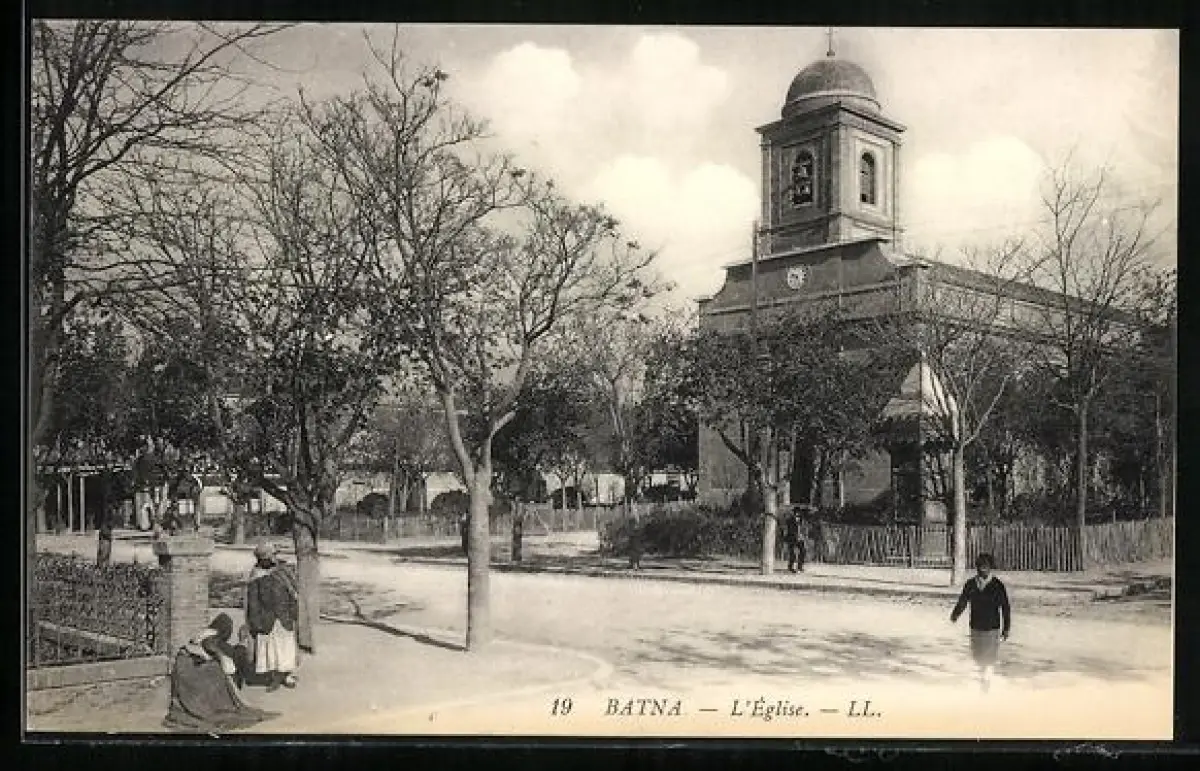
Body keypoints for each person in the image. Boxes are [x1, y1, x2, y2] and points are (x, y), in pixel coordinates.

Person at [162, 613, 276, 733]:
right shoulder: (212, 638)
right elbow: (218, 652)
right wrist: (237, 647)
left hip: (182, 666)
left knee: (217, 668)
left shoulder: (207, 634)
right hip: (188, 668)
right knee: (216, 671)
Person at [950, 553, 1011, 693]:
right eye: (980, 567)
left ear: (990, 568)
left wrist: (1006, 628)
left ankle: (986, 681)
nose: (983, 570)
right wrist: (955, 614)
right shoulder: (970, 584)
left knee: (989, 656)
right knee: (977, 655)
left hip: (992, 627)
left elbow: (1005, 607)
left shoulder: (997, 585)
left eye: (986, 567)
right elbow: (963, 601)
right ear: (976, 568)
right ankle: (983, 674)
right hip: (976, 626)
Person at [245, 543, 300, 692]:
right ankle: (275, 676)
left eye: (275, 555)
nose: (275, 558)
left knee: (286, 647)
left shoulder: (283, 571)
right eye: (272, 555)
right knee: (271, 649)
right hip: (266, 618)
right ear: (263, 558)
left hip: (283, 617)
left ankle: (286, 674)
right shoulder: (256, 576)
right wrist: (255, 620)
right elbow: (253, 601)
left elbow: (293, 593)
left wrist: (293, 612)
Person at [783, 508, 805, 572]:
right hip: (792, 538)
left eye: (799, 513)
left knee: (803, 551)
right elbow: (789, 530)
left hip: (800, 538)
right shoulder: (789, 520)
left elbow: (802, 529)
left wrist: (801, 536)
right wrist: (795, 536)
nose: (797, 514)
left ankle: (800, 567)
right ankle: (791, 567)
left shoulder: (801, 520)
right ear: (794, 513)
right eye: (796, 513)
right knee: (792, 553)